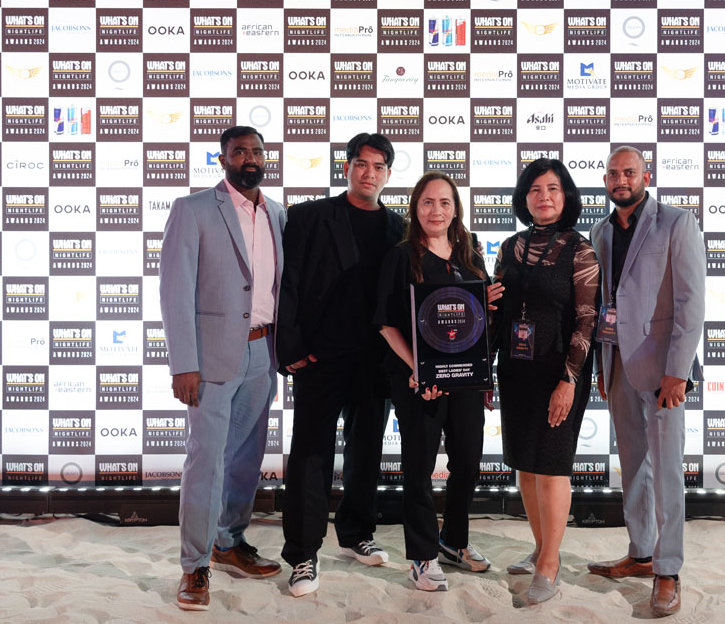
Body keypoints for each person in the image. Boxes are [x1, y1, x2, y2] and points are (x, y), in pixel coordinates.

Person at [160, 126, 286, 611]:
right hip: (210, 360)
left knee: (246, 461)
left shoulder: (278, 213)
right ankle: (194, 566)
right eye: (239, 151)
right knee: (206, 461)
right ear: (223, 159)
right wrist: (183, 364)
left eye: (257, 151)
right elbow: (175, 291)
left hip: (263, 353)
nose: (249, 158)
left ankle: (228, 542)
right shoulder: (192, 209)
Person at [276, 132, 405, 597]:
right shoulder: (309, 216)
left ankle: (355, 533)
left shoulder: (399, 227)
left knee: (366, 451)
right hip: (320, 358)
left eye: (378, 166)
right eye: (361, 164)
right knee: (310, 455)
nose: (369, 173)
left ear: (388, 174)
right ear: (347, 167)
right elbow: (287, 284)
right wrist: (290, 348)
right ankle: (303, 554)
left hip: (376, 361)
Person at [587, 146, 706, 617]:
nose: (621, 180)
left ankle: (668, 569)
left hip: (662, 372)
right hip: (617, 364)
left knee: (668, 470)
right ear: (606, 180)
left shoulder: (676, 223)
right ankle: (640, 553)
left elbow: (691, 302)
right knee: (633, 464)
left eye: (629, 172)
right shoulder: (600, 230)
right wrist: (602, 366)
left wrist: (678, 371)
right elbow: (603, 303)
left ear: (645, 176)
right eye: (613, 173)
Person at [373, 172, 504, 591]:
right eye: (428, 202)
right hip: (418, 382)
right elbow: (386, 324)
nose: (436, 211)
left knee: (468, 462)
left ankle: (454, 541)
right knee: (420, 466)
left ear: (455, 209)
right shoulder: (401, 257)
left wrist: (489, 305)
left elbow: (480, 322)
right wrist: (418, 369)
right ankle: (423, 555)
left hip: (465, 381)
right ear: (415, 207)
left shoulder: (470, 253)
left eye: (445, 202)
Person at [492, 158, 599, 605]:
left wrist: (569, 380)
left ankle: (550, 564)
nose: (544, 197)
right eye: (535, 189)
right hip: (515, 370)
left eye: (552, 188)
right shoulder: (510, 247)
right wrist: (484, 370)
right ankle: (540, 547)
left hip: (559, 371)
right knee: (526, 463)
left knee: (552, 466)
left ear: (565, 195)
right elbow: (497, 316)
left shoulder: (580, 250)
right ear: (524, 198)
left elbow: (587, 320)